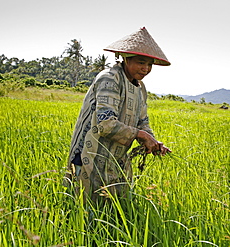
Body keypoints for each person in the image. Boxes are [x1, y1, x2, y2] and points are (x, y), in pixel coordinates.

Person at [65, 27, 171, 204]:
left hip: (115, 158)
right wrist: (140, 135)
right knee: (85, 210)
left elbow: (142, 122)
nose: (146, 69)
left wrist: (152, 141)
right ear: (126, 58)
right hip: (89, 154)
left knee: (113, 210)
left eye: (150, 64)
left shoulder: (140, 87)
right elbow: (105, 123)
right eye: (141, 62)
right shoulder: (110, 78)